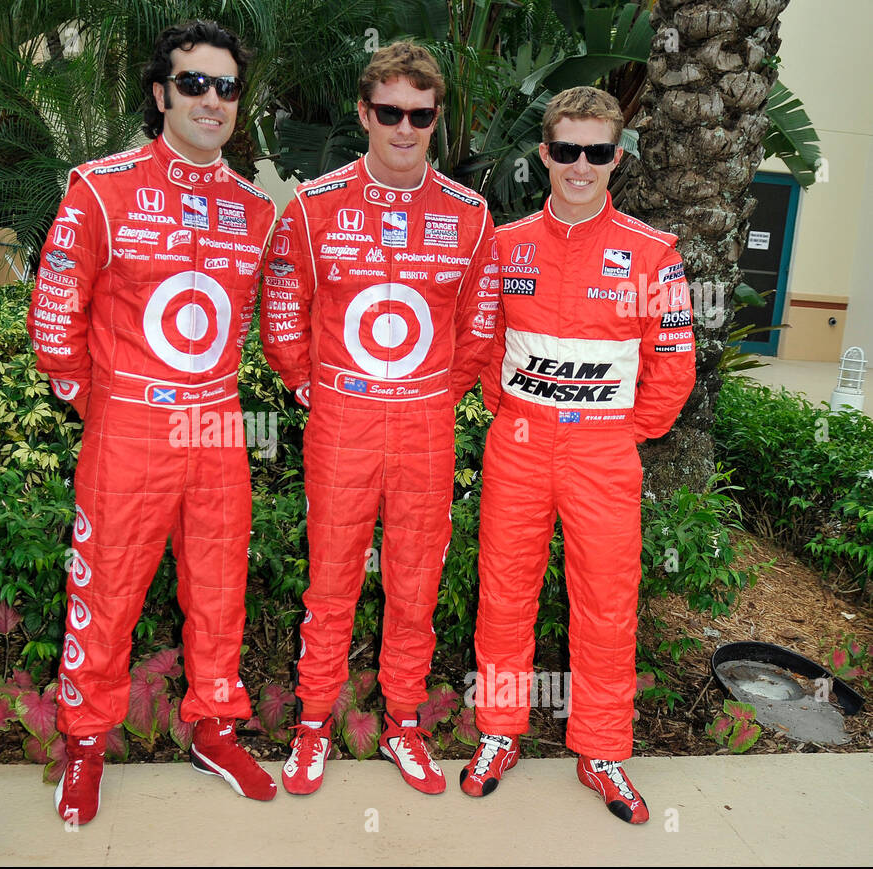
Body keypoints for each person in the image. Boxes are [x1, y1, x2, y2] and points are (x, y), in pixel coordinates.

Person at [28, 20, 279, 826]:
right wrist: (97, 407)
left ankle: (213, 724)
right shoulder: (101, 187)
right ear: (161, 92)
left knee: (219, 587)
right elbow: (54, 316)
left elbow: (264, 320)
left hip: (217, 427)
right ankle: (87, 745)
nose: (212, 100)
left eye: (227, 87)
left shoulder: (254, 208)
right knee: (105, 594)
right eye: (195, 83)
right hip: (128, 427)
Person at [261, 42, 498, 796]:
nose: (404, 127)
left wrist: (439, 392)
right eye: (389, 112)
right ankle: (311, 726)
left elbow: (480, 327)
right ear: (365, 113)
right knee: (330, 583)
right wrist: (309, 386)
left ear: (436, 119)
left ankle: (403, 724)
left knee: (415, 582)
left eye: (420, 115)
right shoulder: (313, 204)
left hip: (425, 425)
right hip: (342, 424)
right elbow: (281, 312)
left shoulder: (470, 214)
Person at [460, 87, 695, 823]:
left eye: (596, 152)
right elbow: (482, 347)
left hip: (603, 454)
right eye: (566, 151)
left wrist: (623, 432)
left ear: (616, 158)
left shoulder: (653, 253)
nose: (580, 165)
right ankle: (499, 733)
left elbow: (674, 363)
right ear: (545, 154)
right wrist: (519, 415)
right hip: (520, 445)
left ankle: (602, 751)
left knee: (607, 604)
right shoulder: (505, 244)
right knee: (502, 595)